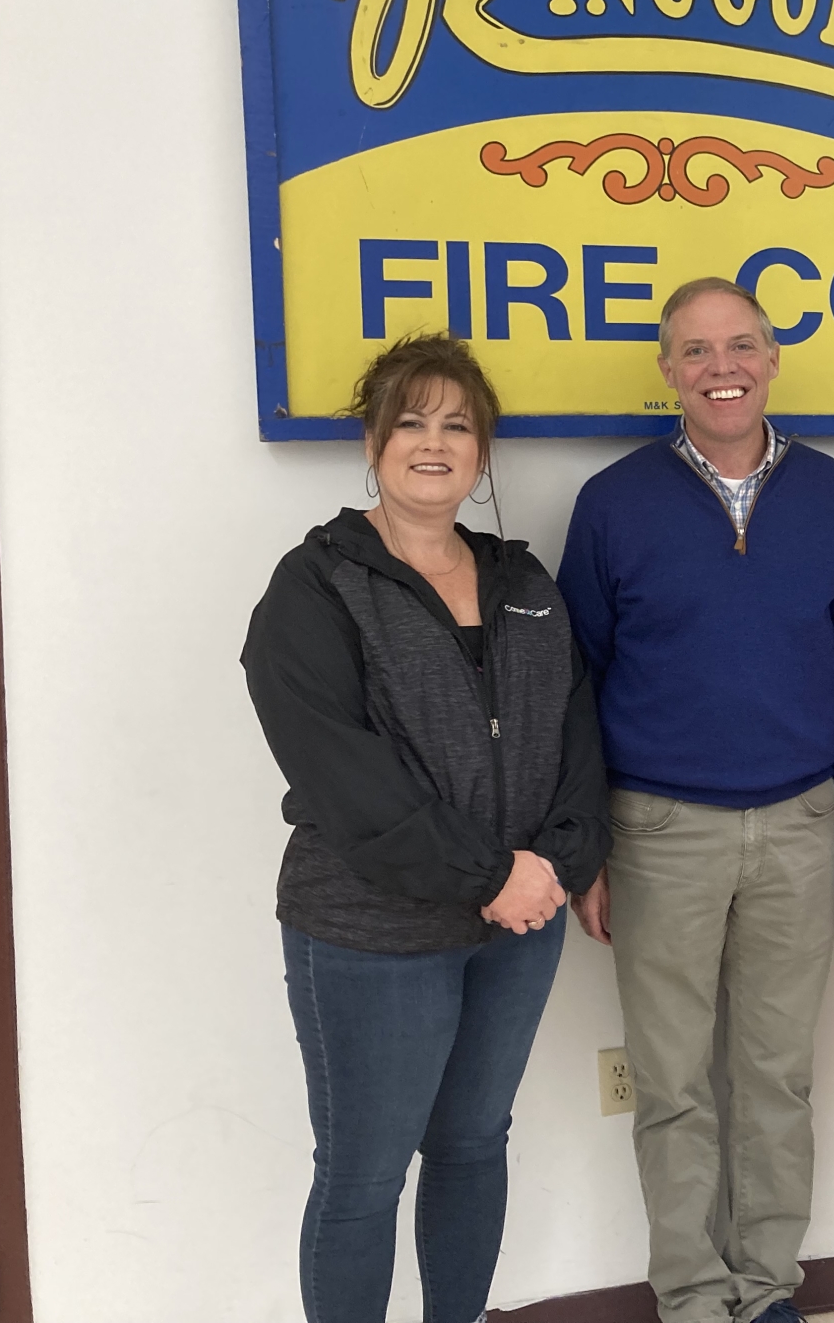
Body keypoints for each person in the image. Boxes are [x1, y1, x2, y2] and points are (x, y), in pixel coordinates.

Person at [242, 333, 611, 1323]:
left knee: (473, 1143)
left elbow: (578, 736)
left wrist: (558, 864)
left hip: (518, 926)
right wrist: (492, 874)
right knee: (363, 1176)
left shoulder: (525, 586)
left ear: (482, 452)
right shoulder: (315, 586)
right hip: (371, 932)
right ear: (374, 442)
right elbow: (342, 775)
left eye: (457, 426)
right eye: (410, 423)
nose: (434, 443)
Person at [557, 278, 834, 1323]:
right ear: (666, 371)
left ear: (773, 359)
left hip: (798, 824)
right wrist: (589, 845)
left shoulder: (827, 490)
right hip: (658, 831)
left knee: (777, 1077)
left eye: (740, 345)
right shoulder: (612, 502)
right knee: (672, 1083)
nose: (720, 368)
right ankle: (692, 1296)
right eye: (694, 351)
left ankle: (767, 1287)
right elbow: (576, 682)